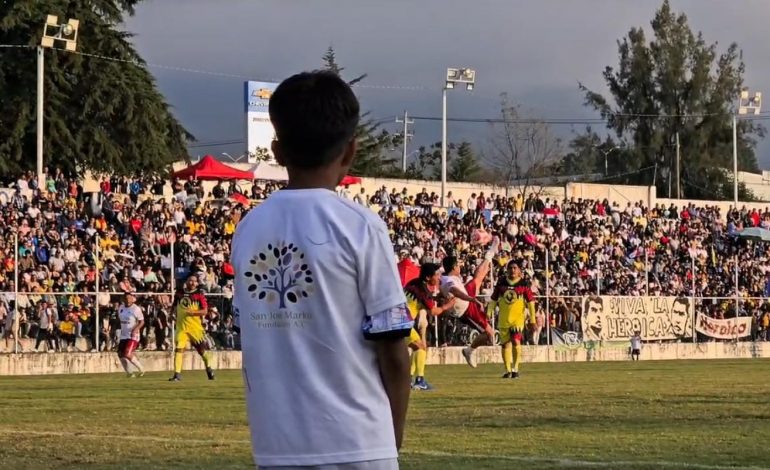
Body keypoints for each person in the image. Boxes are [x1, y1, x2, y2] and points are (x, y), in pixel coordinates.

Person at [231, 71, 412, 470]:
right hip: (360, 444)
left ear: (276, 151)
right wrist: (390, 439)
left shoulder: (248, 230)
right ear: (350, 151)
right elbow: (394, 351)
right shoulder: (361, 226)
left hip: (277, 449)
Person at [440, 237, 499, 368]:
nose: (460, 266)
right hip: (466, 310)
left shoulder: (449, 277)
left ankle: (489, 255)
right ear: (455, 267)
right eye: (459, 265)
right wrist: (471, 298)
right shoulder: (448, 281)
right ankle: (470, 350)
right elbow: (455, 291)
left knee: (478, 279)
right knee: (490, 334)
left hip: (467, 297)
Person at [404, 263, 455, 391]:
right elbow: (433, 311)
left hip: (399, 321)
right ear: (427, 277)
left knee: (419, 347)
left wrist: (434, 297)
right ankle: (419, 380)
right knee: (421, 347)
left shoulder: (413, 283)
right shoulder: (423, 291)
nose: (439, 278)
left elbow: (420, 302)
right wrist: (447, 305)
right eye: (436, 275)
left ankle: (410, 379)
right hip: (402, 323)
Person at [486, 260, 536, 379]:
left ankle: (516, 368)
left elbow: (531, 303)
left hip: (517, 320)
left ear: (519, 271)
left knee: (515, 341)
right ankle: (508, 370)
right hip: (503, 320)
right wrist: (489, 312)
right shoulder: (501, 283)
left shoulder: (524, 284)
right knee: (505, 345)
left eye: (515, 268)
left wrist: (532, 320)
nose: (512, 270)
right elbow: (493, 300)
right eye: (510, 268)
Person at [168, 274, 215, 382]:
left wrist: (193, 312)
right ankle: (177, 374)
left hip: (195, 329)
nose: (192, 283)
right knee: (179, 349)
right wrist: (171, 314)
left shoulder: (199, 295)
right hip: (182, 328)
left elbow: (204, 311)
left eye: (194, 281)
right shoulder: (179, 293)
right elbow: (174, 306)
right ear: (187, 281)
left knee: (202, 351)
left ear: (197, 284)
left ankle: (209, 369)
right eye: (190, 280)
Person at [117, 292, 145, 377]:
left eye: (129, 298)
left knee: (127, 353)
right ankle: (130, 373)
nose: (128, 300)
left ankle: (142, 369)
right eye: (126, 298)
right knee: (120, 354)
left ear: (132, 299)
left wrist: (135, 329)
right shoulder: (121, 308)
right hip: (124, 335)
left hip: (133, 335)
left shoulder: (135, 309)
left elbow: (142, 321)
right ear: (123, 299)